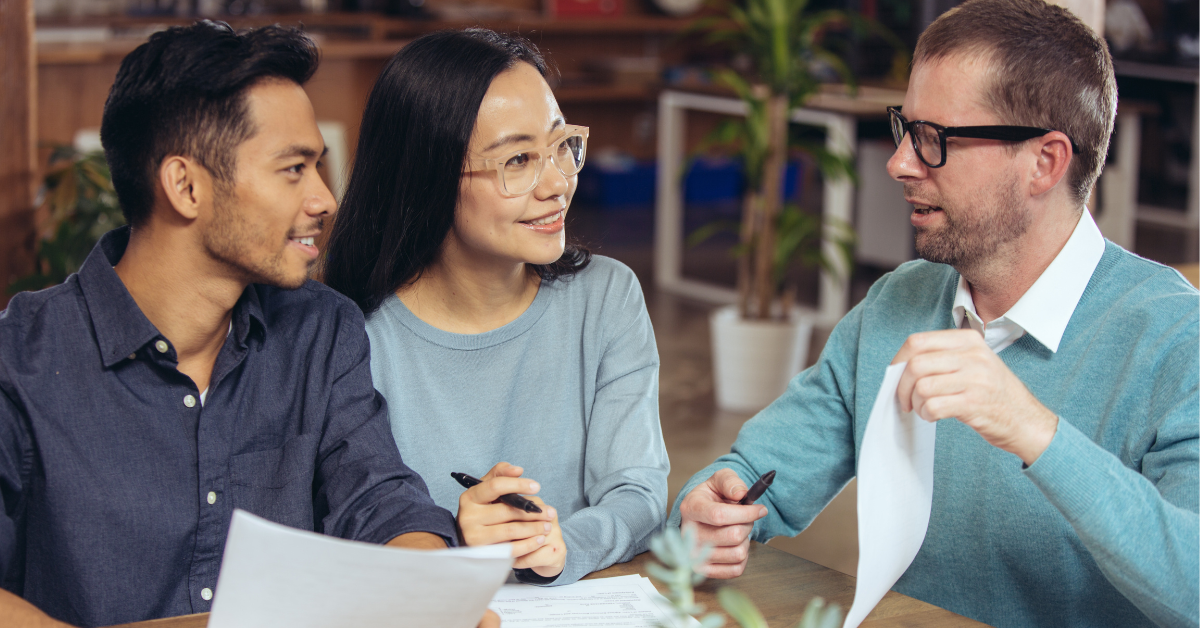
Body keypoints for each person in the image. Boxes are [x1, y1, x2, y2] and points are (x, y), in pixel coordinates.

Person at [669, 0, 1199, 626]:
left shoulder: (1176, 338)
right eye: (905, 128)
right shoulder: (900, 302)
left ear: (1045, 162)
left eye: (935, 140)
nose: (899, 163)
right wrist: (709, 507)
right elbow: (757, 474)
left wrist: (1032, 429)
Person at [0, 22, 492, 628]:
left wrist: (428, 590)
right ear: (185, 186)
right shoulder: (19, 359)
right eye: (293, 169)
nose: (324, 199)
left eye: (319, 167)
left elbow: (379, 498)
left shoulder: (320, 329)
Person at [323, 29, 669, 586]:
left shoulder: (606, 297)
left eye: (561, 146)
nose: (557, 182)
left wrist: (561, 548)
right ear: (429, 177)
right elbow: (341, 528)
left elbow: (639, 490)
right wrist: (457, 545)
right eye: (518, 159)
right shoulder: (350, 332)